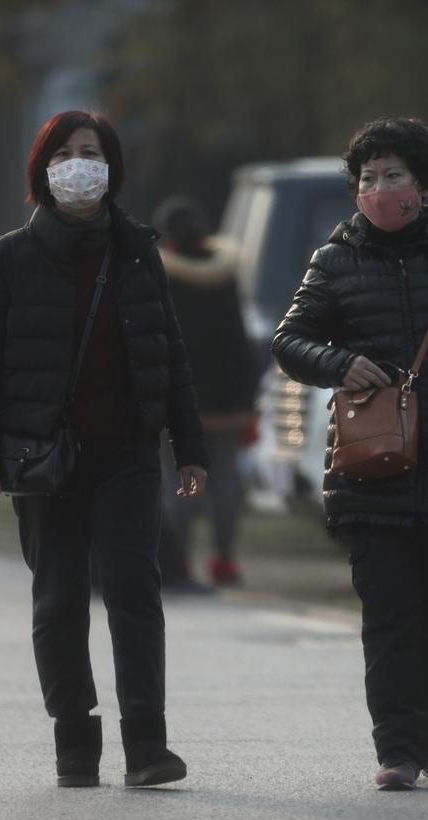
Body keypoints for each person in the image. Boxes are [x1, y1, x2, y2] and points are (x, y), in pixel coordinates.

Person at [273, 117, 428, 791]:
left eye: (393, 175)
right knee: (389, 613)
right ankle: (398, 748)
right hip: (370, 467)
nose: (379, 189)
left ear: (423, 183)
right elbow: (289, 340)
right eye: (367, 178)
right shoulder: (334, 260)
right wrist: (341, 361)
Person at [0, 110, 209, 788]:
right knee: (60, 597)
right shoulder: (9, 257)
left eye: (90, 151)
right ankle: (75, 738)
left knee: (134, 586)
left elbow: (170, 353)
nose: (78, 163)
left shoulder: (137, 249)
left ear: (111, 168)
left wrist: (190, 444)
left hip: (125, 450)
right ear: (43, 170)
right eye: (65, 152)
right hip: (43, 457)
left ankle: (148, 744)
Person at [151, 196, 257, 592]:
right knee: (225, 480)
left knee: (177, 480)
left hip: (177, 399)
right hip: (228, 399)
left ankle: (176, 560)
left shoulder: (160, 273)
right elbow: (239, 336)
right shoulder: (226, 273)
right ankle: (225, 560)